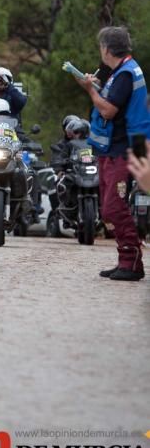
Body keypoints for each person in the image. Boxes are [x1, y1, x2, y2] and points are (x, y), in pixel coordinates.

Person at [76, 26, 150, 281]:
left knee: (113, 206)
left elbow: (108, 111)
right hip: (116, 146)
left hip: (124, 147)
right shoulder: (121, 72)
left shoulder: (125, 75)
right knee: (109, 208)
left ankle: (132, 262)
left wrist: (90, 90)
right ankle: (126, 260)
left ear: (106, 49)